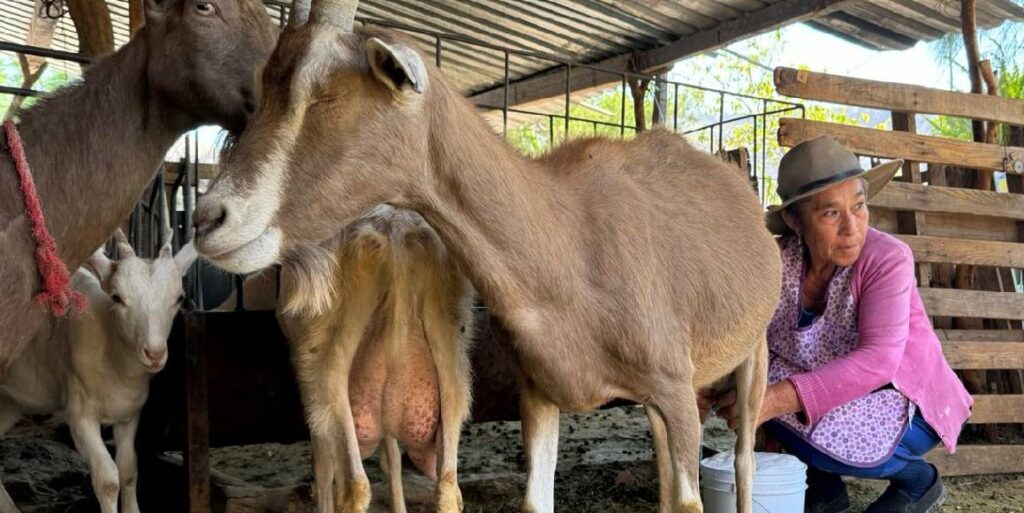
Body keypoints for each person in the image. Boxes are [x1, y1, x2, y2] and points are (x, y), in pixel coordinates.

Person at [712, 135, 972, 513]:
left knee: (790, 410)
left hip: (906, 402)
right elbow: (750, 339)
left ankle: (917, 482)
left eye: (859, 206)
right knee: (754, 384)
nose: (852, 227)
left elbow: (878, 360)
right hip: (838, 394)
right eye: (830, 213)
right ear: (794, 221)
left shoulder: (887, 259)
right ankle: (824, 490)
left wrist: (770, 401)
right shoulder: (778, 261)